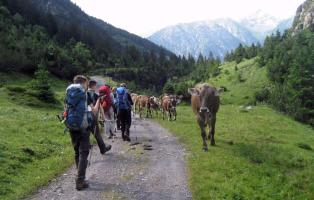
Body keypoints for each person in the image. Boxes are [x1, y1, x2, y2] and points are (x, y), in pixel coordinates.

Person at [64, 75, 101, 190]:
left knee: (77, 152)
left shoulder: (68, 94)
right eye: (86, 83)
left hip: (71, 125)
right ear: (83, 83)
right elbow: (94, 112)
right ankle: (80, 181)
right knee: (84, 153)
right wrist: (99, 101)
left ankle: (79, 175)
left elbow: (66, 110)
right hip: (83, 127)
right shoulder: (86, 95)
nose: (86, 86)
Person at [87, 80, 111, 154]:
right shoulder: (95, 95)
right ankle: (103, 149)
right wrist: (103, 117)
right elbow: (100, 107)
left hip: (83, 117)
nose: (96, 87)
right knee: (97, 134)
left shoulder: (84, 93)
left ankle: (87, 146)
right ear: (93, 86)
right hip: (92, 116)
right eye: (96, 86)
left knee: (86, 132)